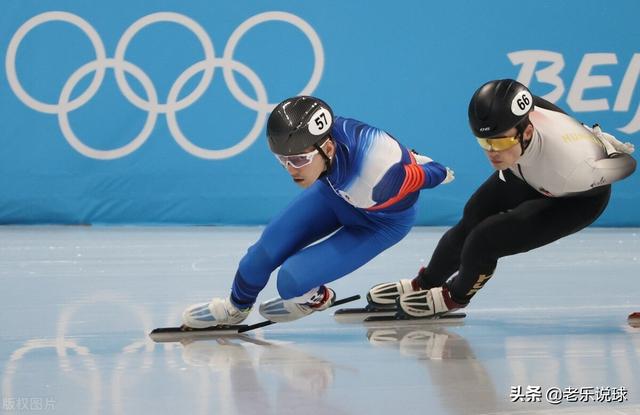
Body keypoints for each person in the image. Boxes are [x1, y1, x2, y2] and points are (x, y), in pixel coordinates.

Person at [368, 79, 637, 317]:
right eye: (485, 143)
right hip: (527, 170)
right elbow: (532, 101)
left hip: (575, 198)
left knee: (485, 239)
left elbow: (628, 166)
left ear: (526, 132)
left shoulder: (575, 167)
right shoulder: (517, 118)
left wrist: (606, 151)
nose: (492, 153)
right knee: (473, 214)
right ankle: (425, 283)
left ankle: (453, 297)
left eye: (499, 143)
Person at [183, 96, 454, 327]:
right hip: (335, 195)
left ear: (326, 147)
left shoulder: (376, 176)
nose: (291, 169)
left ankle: (318, 298)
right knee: (258, 257)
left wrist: (438, 172)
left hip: (379, 224)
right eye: (283, 160)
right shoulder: (323, 141)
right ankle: (235, 309)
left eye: (299, 160)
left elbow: (427, 172)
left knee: (290, 282)